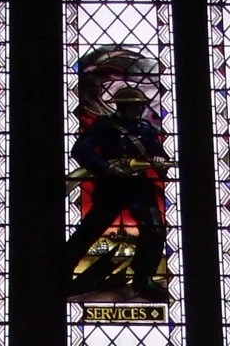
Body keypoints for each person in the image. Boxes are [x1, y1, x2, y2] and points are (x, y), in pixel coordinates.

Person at [66, 85, 168, 299]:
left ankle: (143, 278)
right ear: (123, 106)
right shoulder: (104, 126)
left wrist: (159, 160)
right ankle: (62, 270)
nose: (139, 109)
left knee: (155, 228)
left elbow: (158, 155)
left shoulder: (145, 128)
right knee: (91, 229)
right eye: (135, 106)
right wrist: (106, 167)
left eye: (141, 105)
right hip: (111, 186)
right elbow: (80, 150)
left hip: (138, 186)